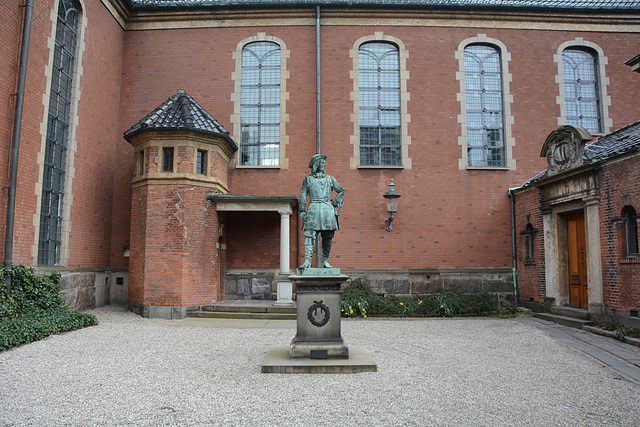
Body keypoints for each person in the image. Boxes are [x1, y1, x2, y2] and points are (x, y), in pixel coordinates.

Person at [298, 154, 345, 270]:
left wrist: (337, 201)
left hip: (327, 209)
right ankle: (307, 261)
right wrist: (302, 211)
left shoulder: (330, 179)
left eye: (324, 163)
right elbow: (303, 196)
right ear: (315, 165)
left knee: (328, 236)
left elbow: (341, 191)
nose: (323, 165)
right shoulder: (308, 180)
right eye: (321, 163)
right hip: (313, 209)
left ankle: (325, 261)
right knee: (309, 235)